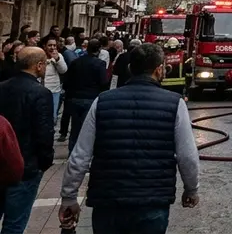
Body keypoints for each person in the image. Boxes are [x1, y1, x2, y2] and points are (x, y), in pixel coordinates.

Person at [58, 43, 199, 234]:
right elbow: (187, 156)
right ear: (159, 70)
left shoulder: (102, 101)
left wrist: (69, 196)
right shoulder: (176, 104)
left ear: (130, 68)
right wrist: (191, 189)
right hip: (152, 200)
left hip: (108, 199)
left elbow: (80, 155)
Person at [0, 47, 54, 233]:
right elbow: (44, 132)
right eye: (45, 64)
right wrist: (44, 161)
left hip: (3, 161)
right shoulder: (41, 93)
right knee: (15, 223)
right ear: (38, 65)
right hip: (26, 165)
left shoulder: (2, 87)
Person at [61, 40, 108, 151]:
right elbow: (104, 83)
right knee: (88, 129)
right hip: (91, 99)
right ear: (99, 49)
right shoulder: (100, 64)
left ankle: (72, 151)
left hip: (75, 98)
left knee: (75, 128)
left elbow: (67, 81)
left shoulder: (75, 62)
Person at [40, 38, 68, 127]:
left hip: (54, 90)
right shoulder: (39, 55)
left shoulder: (59, 56)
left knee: (53, 115)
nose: (52, 48)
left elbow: (63, 70)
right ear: (44, 46)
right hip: (41, 89)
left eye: (54, 45)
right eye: (50, 45)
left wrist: (57, 59)